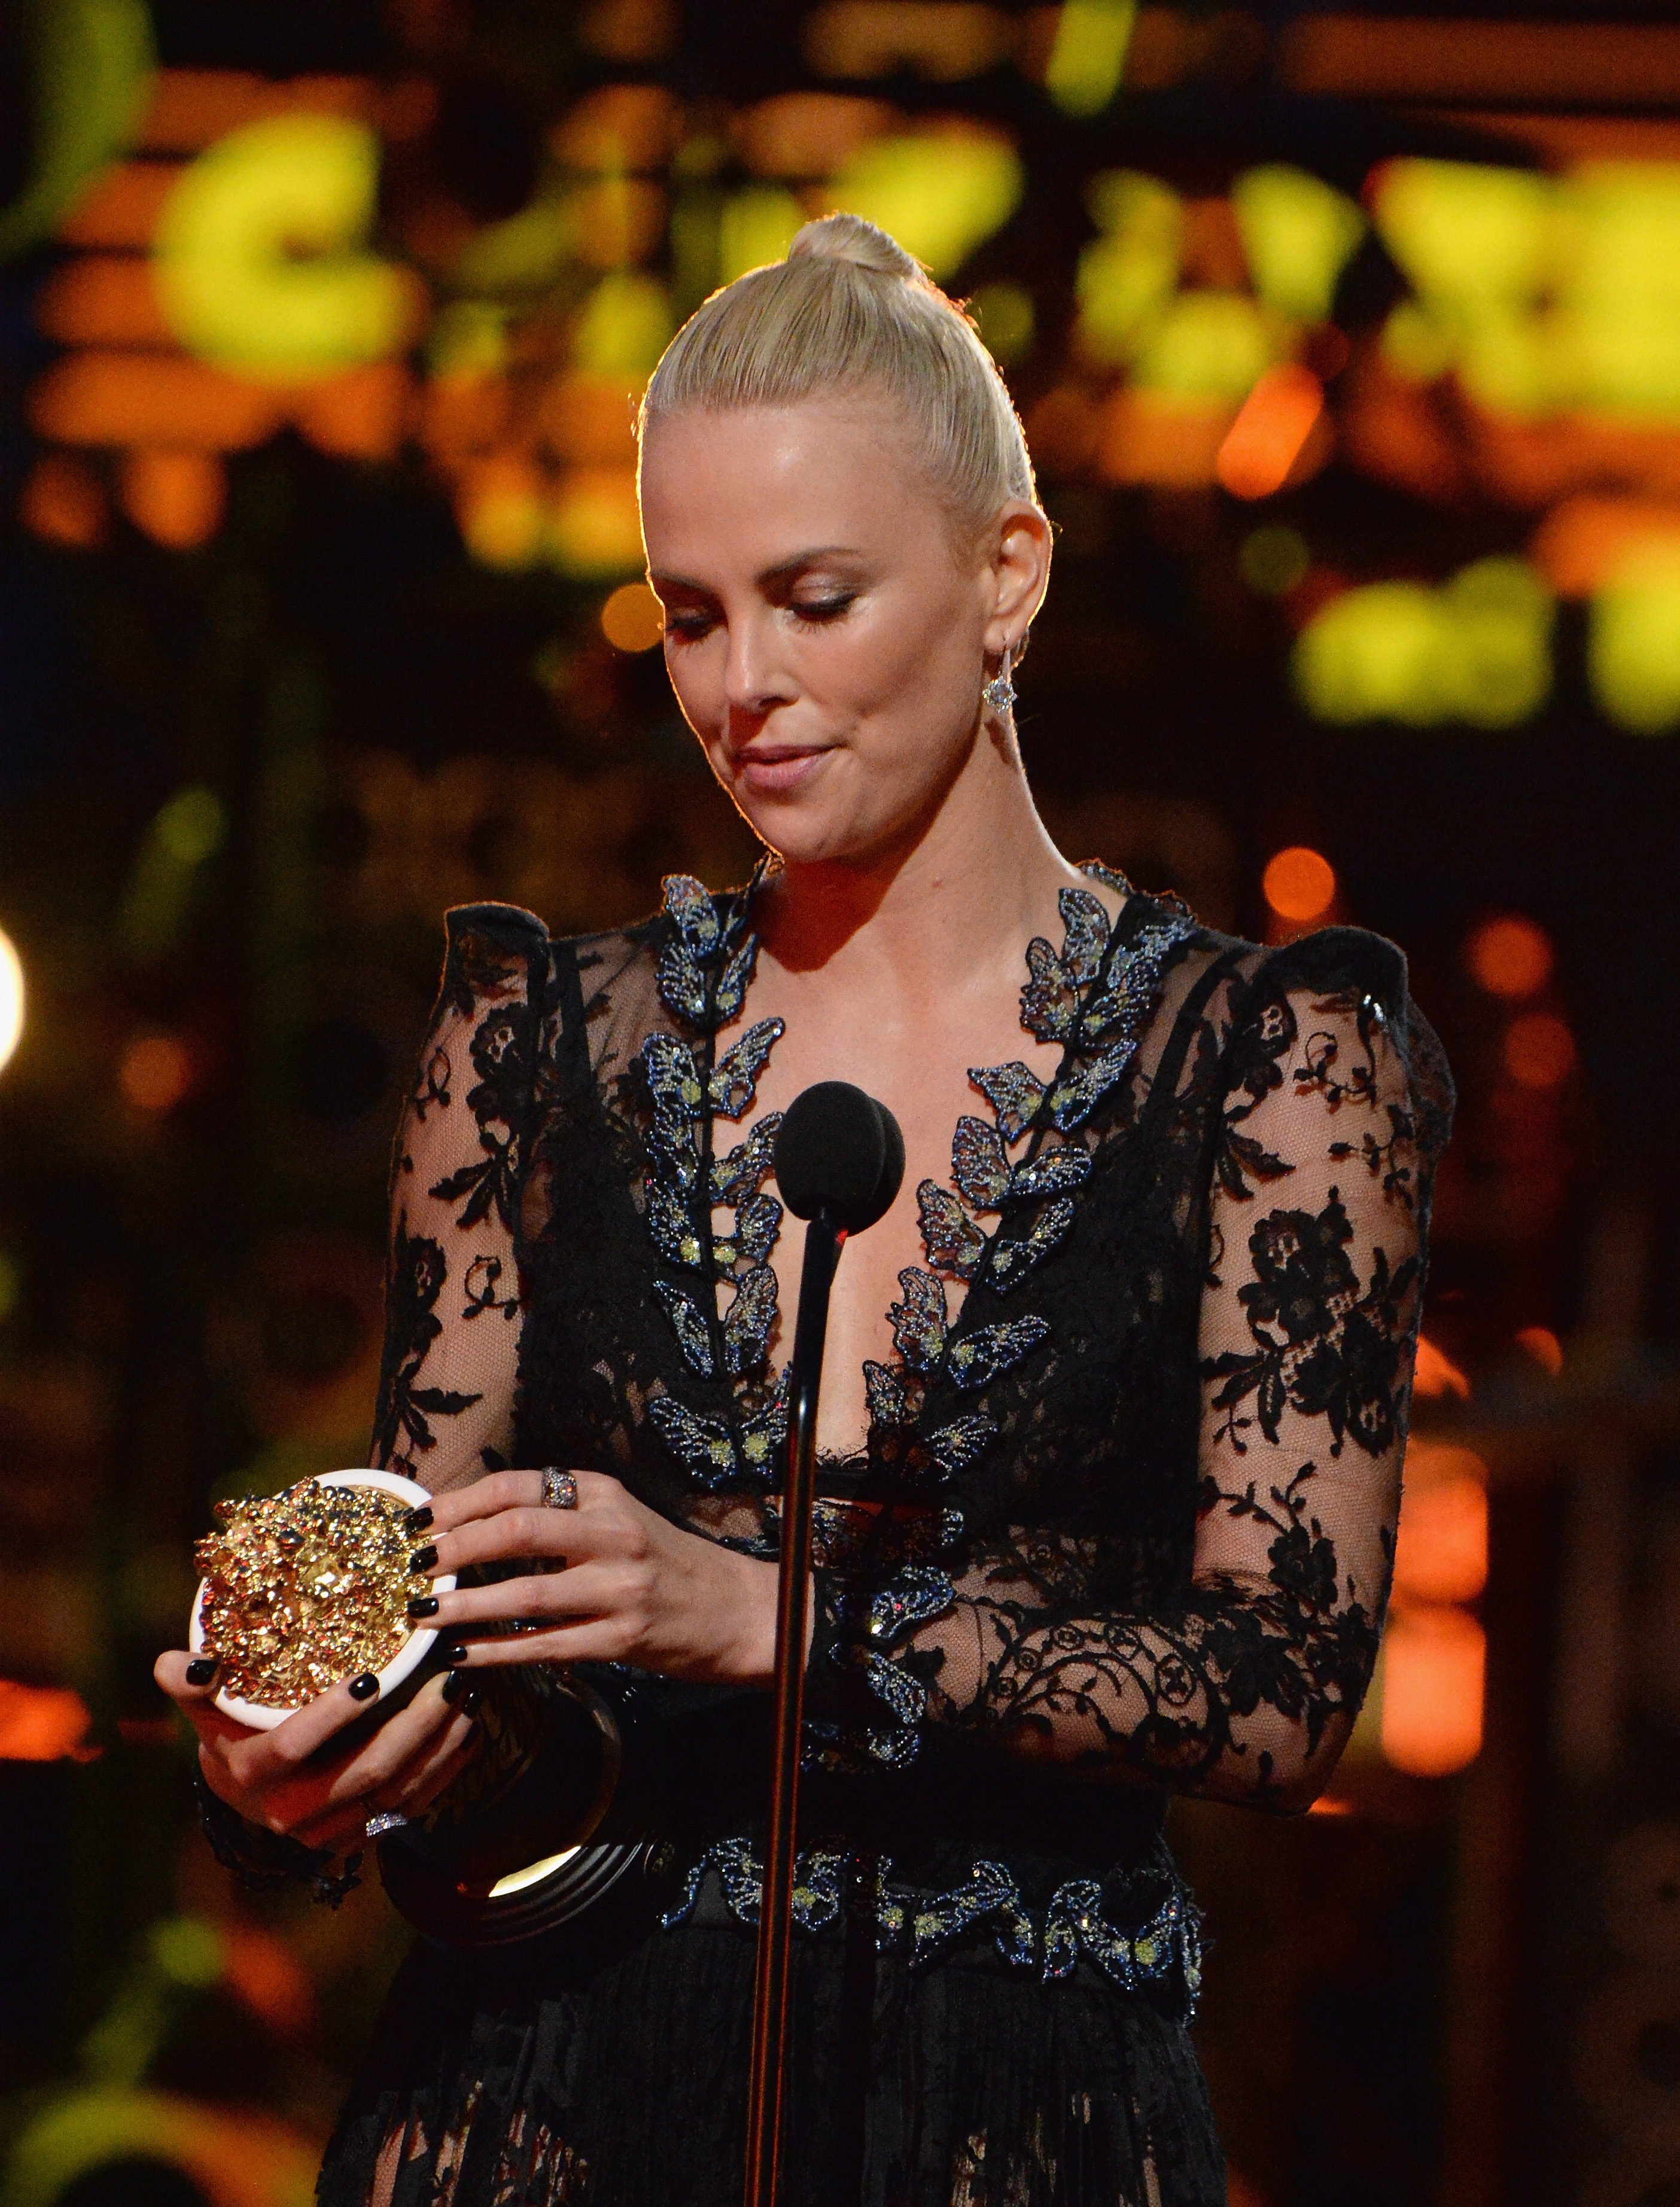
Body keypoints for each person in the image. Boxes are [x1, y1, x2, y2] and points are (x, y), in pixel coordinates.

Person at [156, 213, 1453, 2206]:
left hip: (1010, 2117)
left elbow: (1273, 1693)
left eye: (817, 600)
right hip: (540, 2098)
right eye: (690, 615)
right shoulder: (533, 1050)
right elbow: (413, 1607)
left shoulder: (1266, 1070)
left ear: (1005, 571)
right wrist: (299, 1767)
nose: (743, 685)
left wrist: (767, 1622)